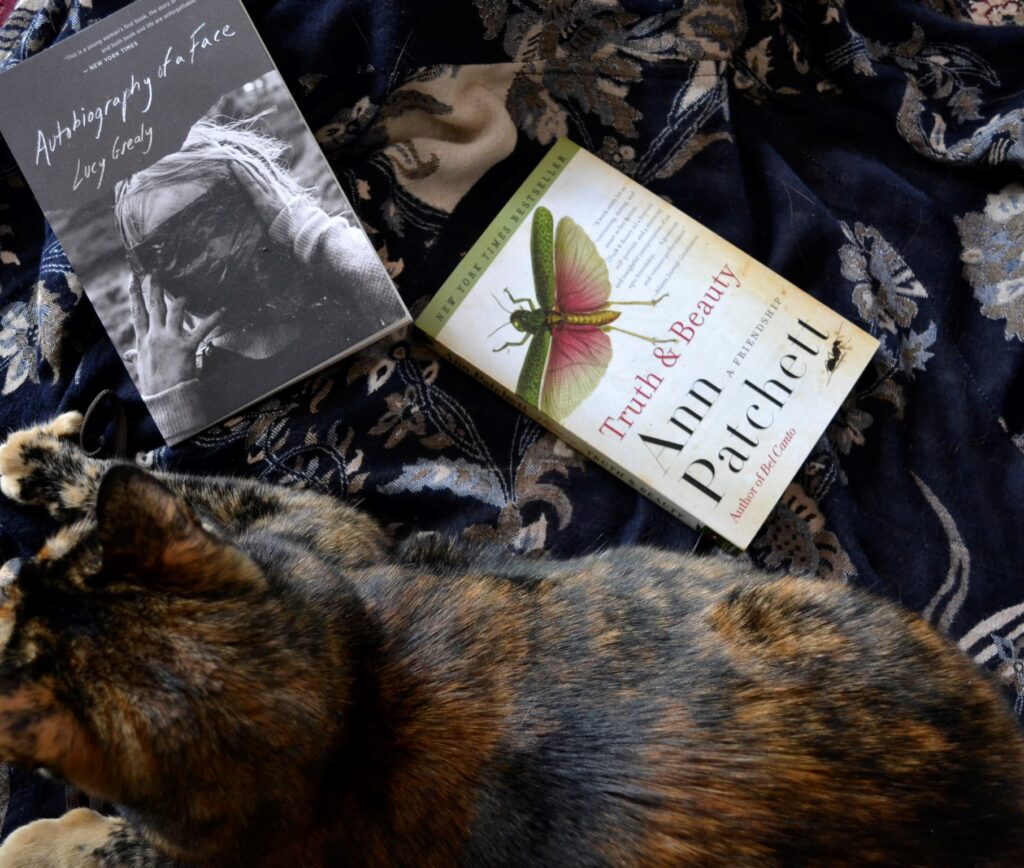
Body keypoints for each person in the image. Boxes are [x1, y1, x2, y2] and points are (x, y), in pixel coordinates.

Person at [114, 117, 401, 439]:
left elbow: (412, 297)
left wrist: (309, 232)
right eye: (181, 248)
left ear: (265, 202)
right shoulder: (198, 389)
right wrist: (169, 402)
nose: (219, 254)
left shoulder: (343, 283)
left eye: (221, 218)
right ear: (154, 273)